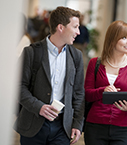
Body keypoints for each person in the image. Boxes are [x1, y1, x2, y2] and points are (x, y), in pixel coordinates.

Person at [14, 6, 85, 145]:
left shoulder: (76, 56)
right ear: (61, 27)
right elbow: (19, 87)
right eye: (75, 26)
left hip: (62, 128)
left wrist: (77, 123)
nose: (78, 32)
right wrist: (39, 107)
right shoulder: (31, 53)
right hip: (33, 124)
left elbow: (78, 93)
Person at [84, 20, 127, 145]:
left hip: (123, 127)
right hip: (95, 125)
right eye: (124, 37)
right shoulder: (95, 63)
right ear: (112, 39)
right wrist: (103, 91)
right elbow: (87, 94)